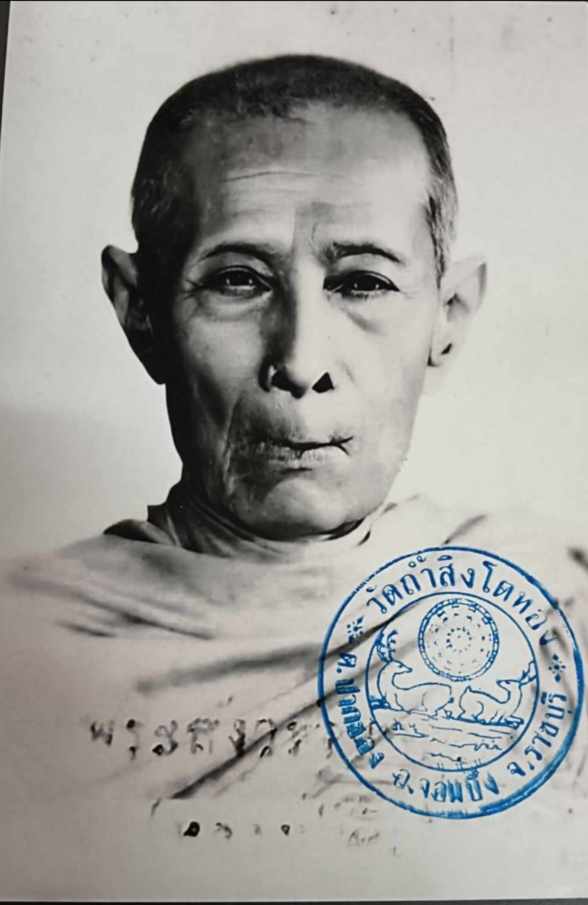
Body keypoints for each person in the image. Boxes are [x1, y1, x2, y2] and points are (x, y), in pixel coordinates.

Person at [1, 55, 587, 899]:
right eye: (238, 281)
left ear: (449, 315)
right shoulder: (23, 643)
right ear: (141, 311)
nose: (302, 362)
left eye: (363, 283)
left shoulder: (558, 608)